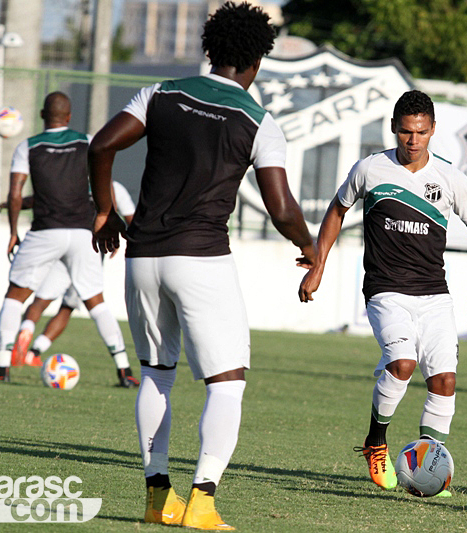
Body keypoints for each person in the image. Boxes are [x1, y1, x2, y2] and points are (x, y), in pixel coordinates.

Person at [88, 2, 316, 529]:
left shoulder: (161, 93)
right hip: (202, 259)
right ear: (258, 60)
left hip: (143, 256)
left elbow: (101, 144)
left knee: (157, 374)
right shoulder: (258, 121)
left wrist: (105, 210)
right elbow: (282, 209)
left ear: (209, 50)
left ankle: (156, 498)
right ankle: (203, 503)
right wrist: (311, 246)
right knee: (226, 382)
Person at [298, 90, 467, 494]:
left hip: (434, 295)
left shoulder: (451, 177)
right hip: (386, 291)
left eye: (421, 132)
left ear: (433, 130)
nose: (413, 140)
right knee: (402, 364)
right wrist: (318, 264)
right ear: (394, 129)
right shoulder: (371, 169)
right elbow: (337, 210)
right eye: (405, 132)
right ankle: (375, 442)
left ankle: (428, 464)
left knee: (445, 381)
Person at [0, 92, 138, 388]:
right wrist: (109, 223)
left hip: (45, 231)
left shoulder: (28, 146)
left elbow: (16, 193)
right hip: (82, 232)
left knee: (16, 297)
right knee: (97, 303)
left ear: (42, 115)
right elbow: (106, 183)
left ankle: (2, 367)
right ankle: (124, 371)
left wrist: (14, 231)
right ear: (68, 116)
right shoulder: (88, 141)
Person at [3, 183, 137, 376]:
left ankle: (26, 334)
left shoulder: (70, 182)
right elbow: (130, 219)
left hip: (60, 244)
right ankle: (123, 368)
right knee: (85, 307)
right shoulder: (112, 186)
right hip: (88, 250)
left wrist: (12, 204)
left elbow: (36, 199)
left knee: (39, 302)